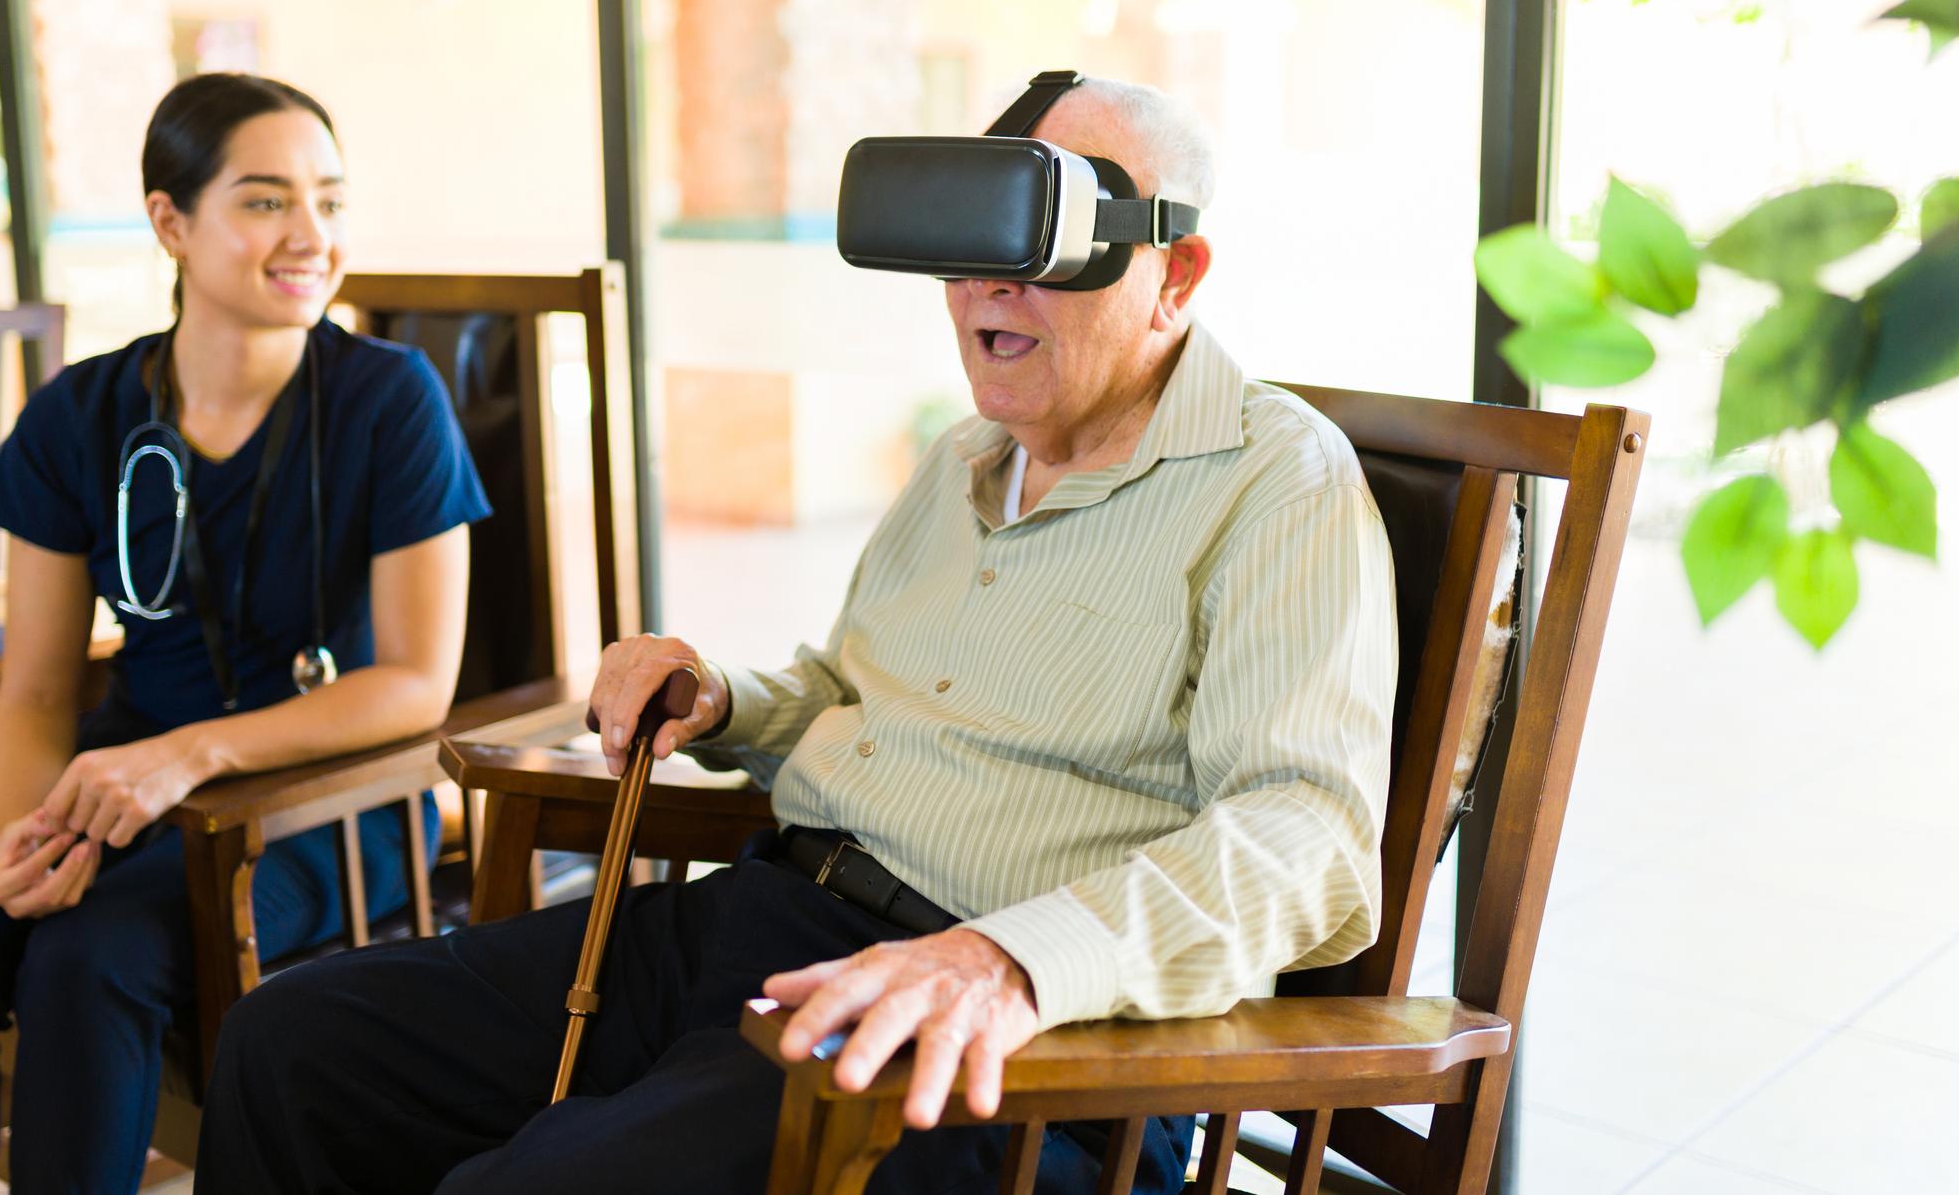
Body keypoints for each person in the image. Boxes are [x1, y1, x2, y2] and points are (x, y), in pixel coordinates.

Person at [194, 77, 1397, 1195]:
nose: (989, 288)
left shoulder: (1275, 482)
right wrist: (720, 699)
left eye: (1039, 245)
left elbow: (1308, 843)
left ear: (1173, 271)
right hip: (769, 922)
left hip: (1004, 1051)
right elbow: (853, 693)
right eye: (968, 250)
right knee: (287, 1049)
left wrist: (1007, 963)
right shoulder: (965, 460)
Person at [0, 72, 490, 1194]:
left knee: (88, 959)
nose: (309, 235)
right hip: (118, 788)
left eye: (329, 201)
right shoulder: (77, 416)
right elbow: (39, 693)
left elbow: (415, 685)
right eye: (264, 201)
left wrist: (188, 753)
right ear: (170, 222)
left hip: (326, 798)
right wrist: (19, 846)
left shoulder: (391, 401)